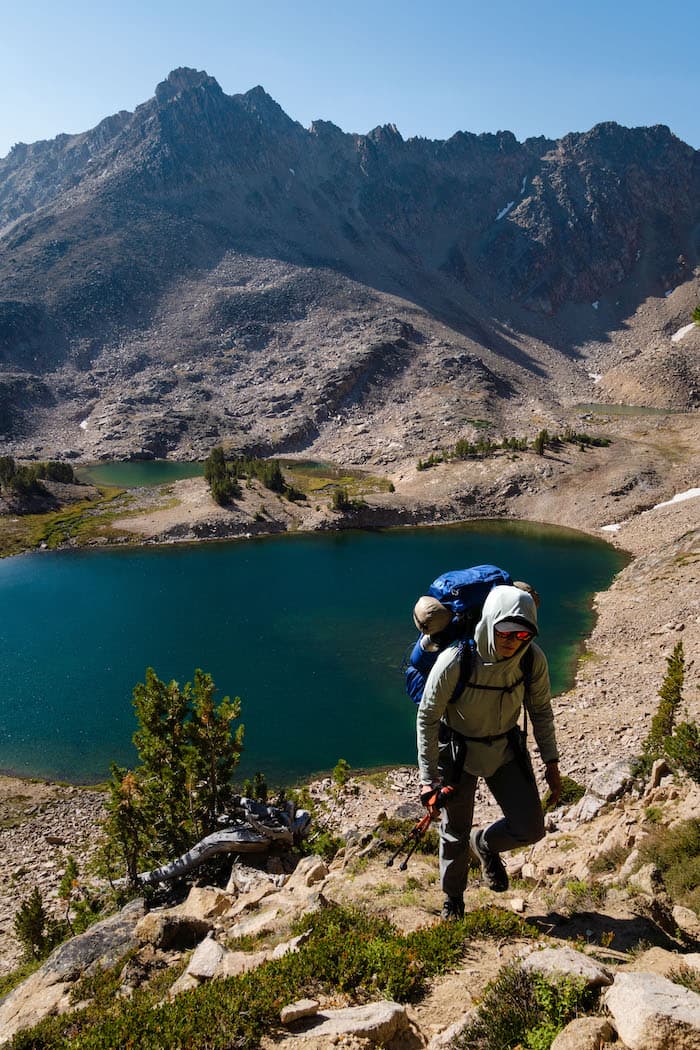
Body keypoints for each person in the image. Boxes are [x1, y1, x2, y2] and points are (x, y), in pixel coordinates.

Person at [416, 584, 561, 919]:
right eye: (506, 632)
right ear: (490, 622)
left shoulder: (531, 660)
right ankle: (453, 899)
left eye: (523, 634)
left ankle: (484, 844)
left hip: (505, 747)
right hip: (459, 752)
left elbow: (540, 711)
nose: (513, 641)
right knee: (454, 832)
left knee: (530, 828)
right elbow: (427, 716)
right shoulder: (457, 659)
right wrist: (428, 778)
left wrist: (551, 762)